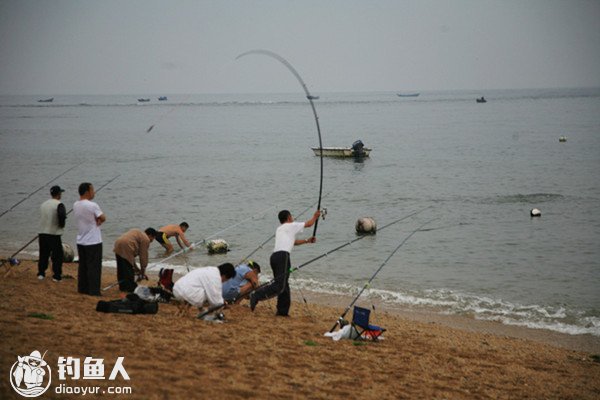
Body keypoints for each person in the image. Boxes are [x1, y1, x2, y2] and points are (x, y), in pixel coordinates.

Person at [250, 209, 320, 316]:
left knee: (284, 285)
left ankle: (282, 311)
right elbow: (309, 224)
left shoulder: (280, 229)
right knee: (280, 285)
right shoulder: (290, 226)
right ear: (288, 218)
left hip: (275, 257)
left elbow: (293, 242)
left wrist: (307, 240)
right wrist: (315, 216)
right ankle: (257, 295)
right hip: (283, 256)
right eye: (291, 216)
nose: (292, 218)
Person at [73, 182, 105, 296]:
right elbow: (103, 217)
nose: (94, 192)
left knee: (83, 266)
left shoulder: (76, 204)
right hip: (93, 241)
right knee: (94, 267)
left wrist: (96, 219)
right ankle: (94, 290)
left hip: (81, 240)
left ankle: (83, 288)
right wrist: (98, 220)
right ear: (87, 192)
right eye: (92, 190)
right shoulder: (92, 205)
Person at [37, 185, 67, 281]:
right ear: (58, 194)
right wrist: (62, 225)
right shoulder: (59, 204)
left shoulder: (43, 204)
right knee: (57, 255)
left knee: (43, 253)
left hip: (42, 232)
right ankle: (56, 276)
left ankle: (41, 273)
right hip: (54, 233)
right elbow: (61, 216)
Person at [113, 228, 157, 292]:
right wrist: (142, 272)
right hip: (127, 245)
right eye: (153, 239)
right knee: (128, 270)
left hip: (118, 243)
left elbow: (131, 260)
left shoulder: (138, 233)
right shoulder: (146, 239)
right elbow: (143, 257)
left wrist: (138, 271)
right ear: (150, 235)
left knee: (121, 268)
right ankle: (129, 288)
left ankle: (122, 287)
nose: (152, 241)